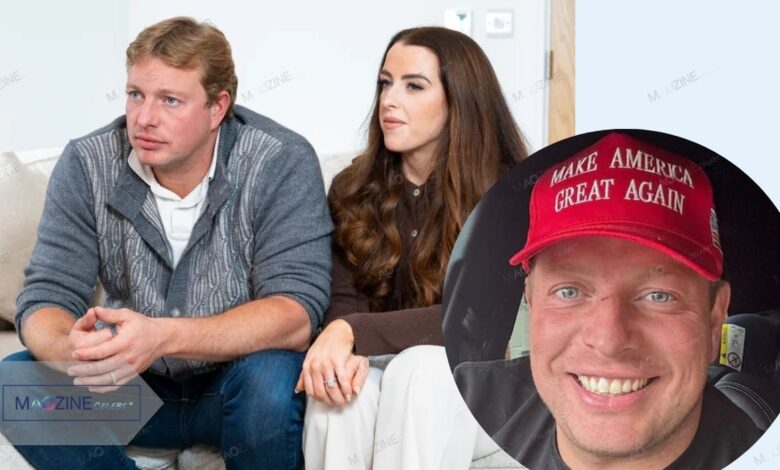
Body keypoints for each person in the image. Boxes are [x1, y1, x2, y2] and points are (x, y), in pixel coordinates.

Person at [4, 17, 331, 470]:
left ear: (218, 107)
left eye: (170, 100)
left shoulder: (280, 160)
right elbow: (45, 297)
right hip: (130, 395)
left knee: (272, 381)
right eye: (136, 94)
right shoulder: (86, 163)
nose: (144, 119)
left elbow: (295, 313)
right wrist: (74, 350)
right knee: (14, 382)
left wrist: (162, 337)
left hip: (232, 390)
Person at [454, 132, 763, 469]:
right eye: (569, 292)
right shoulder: (461, 403)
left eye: (659, 296)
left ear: (715, 316)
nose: (609, 341)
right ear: (531, 299)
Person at [297, 26, 529, 470]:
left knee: (420, 369)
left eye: (413, 86)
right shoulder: (353, 188)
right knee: (339, 391)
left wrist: (352, 333)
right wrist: (345, 340)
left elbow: (476, 320)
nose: (389, 100)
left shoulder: (511, 193)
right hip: (389, 376)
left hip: (479, 389)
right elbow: (343, 302)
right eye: (385, 83)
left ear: (459, 100)